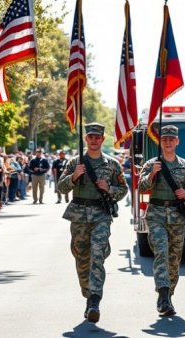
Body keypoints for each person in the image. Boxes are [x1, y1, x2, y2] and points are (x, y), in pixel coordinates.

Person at [57, 122, 128, 323]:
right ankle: (88, 294)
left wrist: (109, 189)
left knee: (98, 254)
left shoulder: (112, 164)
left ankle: (95, 300)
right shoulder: (74, 163)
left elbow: (123, 190)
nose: (94, 140)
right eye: (91, 137)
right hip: (78, 215)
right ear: (86, 139)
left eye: (98, 137)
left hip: (101, 214)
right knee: (81, 257)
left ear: (102, 139)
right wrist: (73, 177)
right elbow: (61, 188)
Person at [139, 125, 185, 316]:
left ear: (177, 141)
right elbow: (141, 188)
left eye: (171, 139)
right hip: (156, 214)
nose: (167, 142)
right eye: (164, 139)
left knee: (174, 259)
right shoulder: (151, 164)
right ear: (160, 141)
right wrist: (151, 175)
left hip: (177, 216)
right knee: (161, 254)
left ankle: (169, 294)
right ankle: (163, 295)